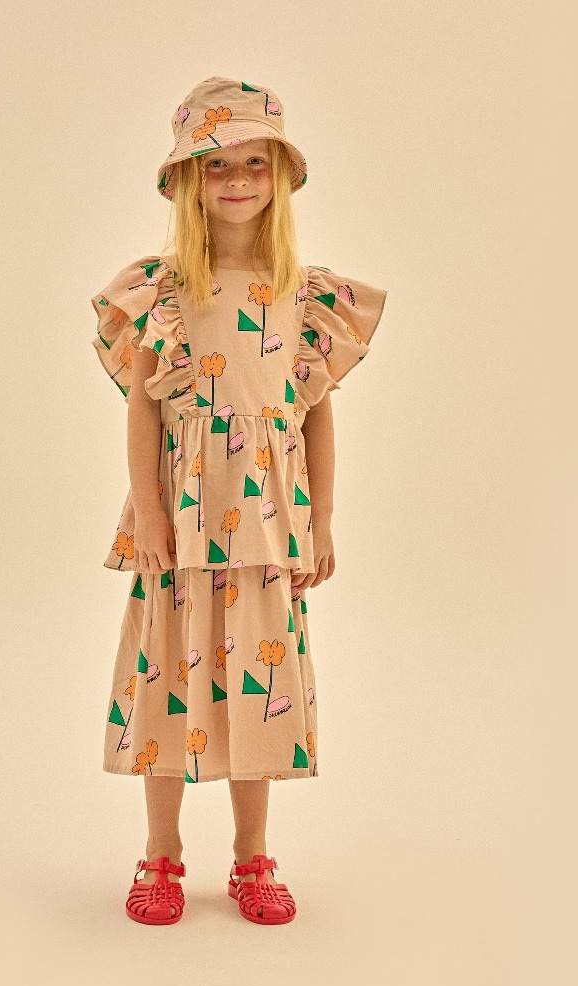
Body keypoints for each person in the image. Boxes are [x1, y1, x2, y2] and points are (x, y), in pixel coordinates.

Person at [89, 76, 387, 925]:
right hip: (181, 525)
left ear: (280, 175)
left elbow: (313, 410)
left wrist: (320, 520)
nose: (236, 179)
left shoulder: (302, 293)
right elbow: (143, 406)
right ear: (188, 178)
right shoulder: (163, 289)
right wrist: (148, 513)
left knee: (260, 687)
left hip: (265, 526)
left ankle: (252, 856)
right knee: (167, 682)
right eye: (216, 164)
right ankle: (160, 853)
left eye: (254, 163)